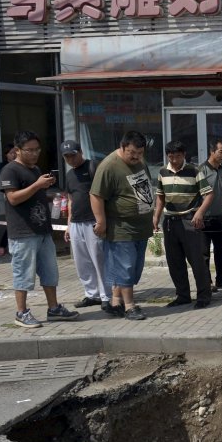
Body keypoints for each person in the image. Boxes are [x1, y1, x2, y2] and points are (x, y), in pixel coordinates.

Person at [0, 130, 79, 328]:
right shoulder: (10, 170)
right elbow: (13, 198)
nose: (34, 154)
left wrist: (51, 196)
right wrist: (37, 185)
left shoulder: (34, 169)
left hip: (42, 230)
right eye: (30, 150)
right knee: (23, 273)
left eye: (37, 149)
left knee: (50, 272)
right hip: (23, 232)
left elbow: (34, 195)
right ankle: (21, 312)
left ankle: (54, 308)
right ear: (18, 150)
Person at [90, 130, 155, 321]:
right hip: (121, 227)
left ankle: (115, 302)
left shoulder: (140, 162)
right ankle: (130, 306)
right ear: (122, 147)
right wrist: (101, 221)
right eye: (132, 153)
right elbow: (96, 195)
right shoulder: (109, 166)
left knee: (133, 268)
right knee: (126, 267)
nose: (136, 157)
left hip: (141, 226)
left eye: (140, 153)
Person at [152, 140, 214, 309]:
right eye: (171, 156)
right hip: (170, 222)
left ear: (184, 155)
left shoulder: (194, 171)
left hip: (189, 220)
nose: (174, 160)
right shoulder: (162, 172)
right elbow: (160, 196)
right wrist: (156, 216)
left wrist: (200, 212)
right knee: (175, 262)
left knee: (196, 261)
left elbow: (208, 194)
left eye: (177, 156)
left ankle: (203, 296)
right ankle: (183, 296)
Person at [61, 140, 111, 309]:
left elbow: (104, 193)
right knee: (82, 262)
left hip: (93, 221)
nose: (71, 159)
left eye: (73, 155)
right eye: (67, 156)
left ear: (80, 152)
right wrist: (68, 225)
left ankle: (106, 295)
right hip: (76, 222)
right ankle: (92, 294)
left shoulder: (93, 167)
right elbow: (70, 200)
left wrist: (102, 220)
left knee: (99, 259)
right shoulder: (69, 175)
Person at [199, 139, 222, 291]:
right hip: (204, 219)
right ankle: (207, 283)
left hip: (219, 218)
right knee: (204, 253)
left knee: (221, 250)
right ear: (211, 152)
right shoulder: (201, 171)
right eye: (221, 152)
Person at [0, 143, 16, 256]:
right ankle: (2, 245)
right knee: (11, 221)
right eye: (10, 153)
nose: (13, 155)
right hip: (9, 196)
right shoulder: (3, 166)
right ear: (6, 155)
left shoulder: (21, 165)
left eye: (15, 152)